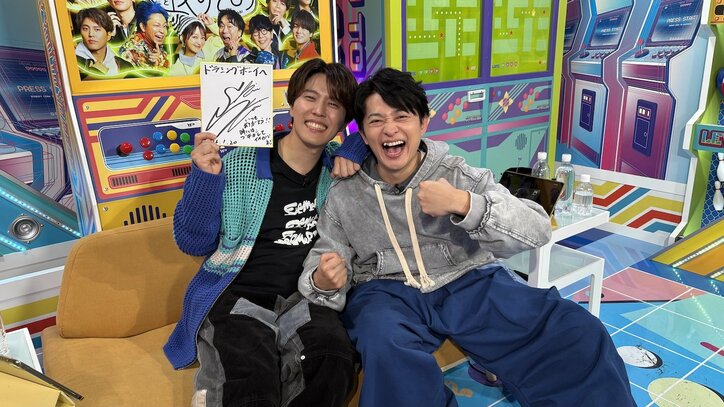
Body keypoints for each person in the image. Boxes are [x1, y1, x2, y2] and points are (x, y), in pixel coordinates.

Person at [298, 68, 637, 407]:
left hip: (469, 280)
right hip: (385, 290)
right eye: (376, 121)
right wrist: (323, 281)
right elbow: (325, 257)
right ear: (362, 134)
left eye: (402, 116)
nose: (390, 129)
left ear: (423, 122)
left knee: (579, 332)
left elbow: (537, 228)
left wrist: (464, 204)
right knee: (384, 342)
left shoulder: (457, 174)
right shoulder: (345, 193)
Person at [163, 59, 369, 407]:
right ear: (291, 103)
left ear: (343, 119)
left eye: (333, 104)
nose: (319, 111)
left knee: (334, 361)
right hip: (238, 298)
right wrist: (205, 178)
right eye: (309, 98)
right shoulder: (239, 162)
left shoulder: (337, 170)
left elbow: (386, 140)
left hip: (305, 299)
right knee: (252, 384)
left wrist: (354, 147)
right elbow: (193, 243)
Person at [75, 7, 133, 77]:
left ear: (108, 35)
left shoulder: (125, 67)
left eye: (97, 29)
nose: (91, 34)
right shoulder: (71, 62)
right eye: (85, 29)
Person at [119, 0, 170, 69]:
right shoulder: (131, 50)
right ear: (143, 27)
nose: (162, 31)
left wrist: (160, 60)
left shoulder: (157, 47)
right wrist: (154, 65)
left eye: (164, 26)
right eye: (156, 25)